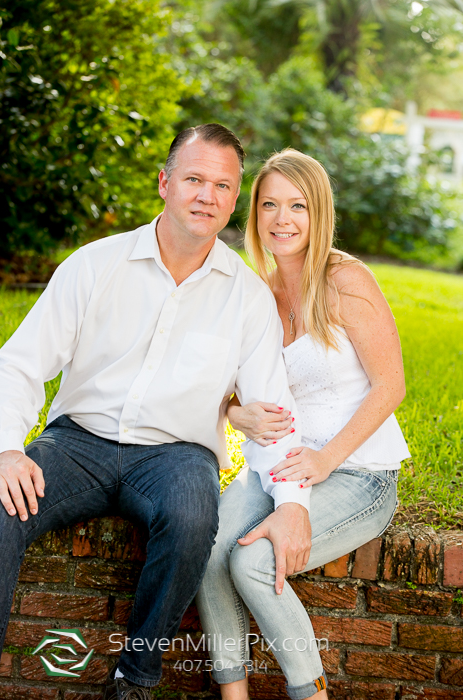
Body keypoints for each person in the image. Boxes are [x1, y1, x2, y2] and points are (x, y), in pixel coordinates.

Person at [0, 126, 311, 700]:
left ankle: (134, 679)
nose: (206, 196)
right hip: (77, 445)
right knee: (0, 505)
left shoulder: (247, 298)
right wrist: (5, 448)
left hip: (177, 455)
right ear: (165, 183)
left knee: (194, 516)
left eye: (222, 185)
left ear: (234, 198)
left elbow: (273, 414)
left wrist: (292, 505)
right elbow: (18, 365)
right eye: (194, 179)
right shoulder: (95, 266)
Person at [196, 149, 411, 700]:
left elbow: (391, 386)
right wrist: (232, 410)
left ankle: (310, 691)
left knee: (253, 563)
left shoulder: (345, 279)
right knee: (205, 547)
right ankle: (233, 693)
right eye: (269, 205)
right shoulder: (258, 295)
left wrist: (325, 459)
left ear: (319, 214)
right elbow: (227, 388)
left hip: (357, 472)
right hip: (277, 466)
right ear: (255, 214)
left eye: (298, 205)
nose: (282, 219)